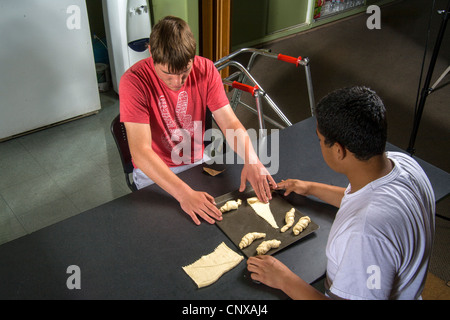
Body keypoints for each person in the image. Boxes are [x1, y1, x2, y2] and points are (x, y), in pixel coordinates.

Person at [247, 86, 435, 300]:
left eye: (319, 140)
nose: (318, 144)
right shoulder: (404, 165)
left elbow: (368, 220)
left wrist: (284, 279)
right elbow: (365, 200)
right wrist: (310, 188)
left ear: (339, 150)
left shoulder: (365, 235)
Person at [119, 16, 276, 225]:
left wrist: (252, 160)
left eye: (185, 72)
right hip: (155, 171)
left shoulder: (206, 69)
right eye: (168, 74)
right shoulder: (133, 81)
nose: (177, 82)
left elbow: (229, 122)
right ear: (152, 55)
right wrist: (184, 194)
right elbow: (141, 152)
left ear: (193, 58)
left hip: (197, 162)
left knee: (221, 223)